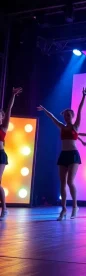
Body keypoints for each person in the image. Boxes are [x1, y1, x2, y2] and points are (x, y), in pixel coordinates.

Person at [37, 87, 86, 220]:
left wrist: (83, 97)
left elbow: (80, 110)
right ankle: (64, 209)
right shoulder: (61, 126)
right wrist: (44, 110)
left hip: (73, 155)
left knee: (70, 181)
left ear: (71, 117)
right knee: (62, 183)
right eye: (65, 115)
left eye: (68, 115)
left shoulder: (75, 126)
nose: (67, 117)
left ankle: (75, 206)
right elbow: (52, 117)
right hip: (63, 155)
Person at [0, 87, 23, 220]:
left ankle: (4, 209)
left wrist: (13, 95)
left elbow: (9, 110)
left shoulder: (3, 127)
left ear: (2, 117)